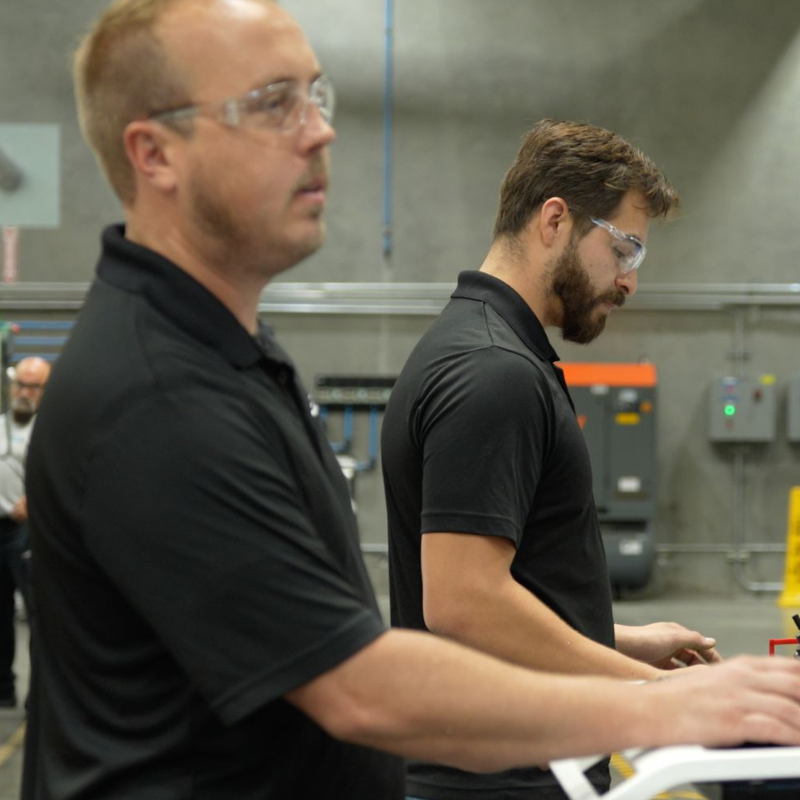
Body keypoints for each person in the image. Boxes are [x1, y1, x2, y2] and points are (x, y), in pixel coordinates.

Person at [20, 3, 800, 799]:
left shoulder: (225, 359)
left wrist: (621, 648)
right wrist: (659, 705)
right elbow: (364, 678)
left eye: (317, 98)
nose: (319, 132)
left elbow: (327, 633)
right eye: (271, 103)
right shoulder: (157, 399)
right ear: (155, 154)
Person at [380, 120, 725, 799]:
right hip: (498, 778)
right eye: (624, 249)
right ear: (555, 220)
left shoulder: (484, 348)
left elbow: (509, 590)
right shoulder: (492, 371)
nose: (628, 282)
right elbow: (463, 603)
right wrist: (656, 692)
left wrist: (616, 637)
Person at [0, 356, 50, 708]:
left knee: (38, 616)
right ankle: (3, 689)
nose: (25, 392)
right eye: (21, 384)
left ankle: (40, 698)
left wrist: (37, 498)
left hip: (30, 533)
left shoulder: (54, 431)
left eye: (34, 387)